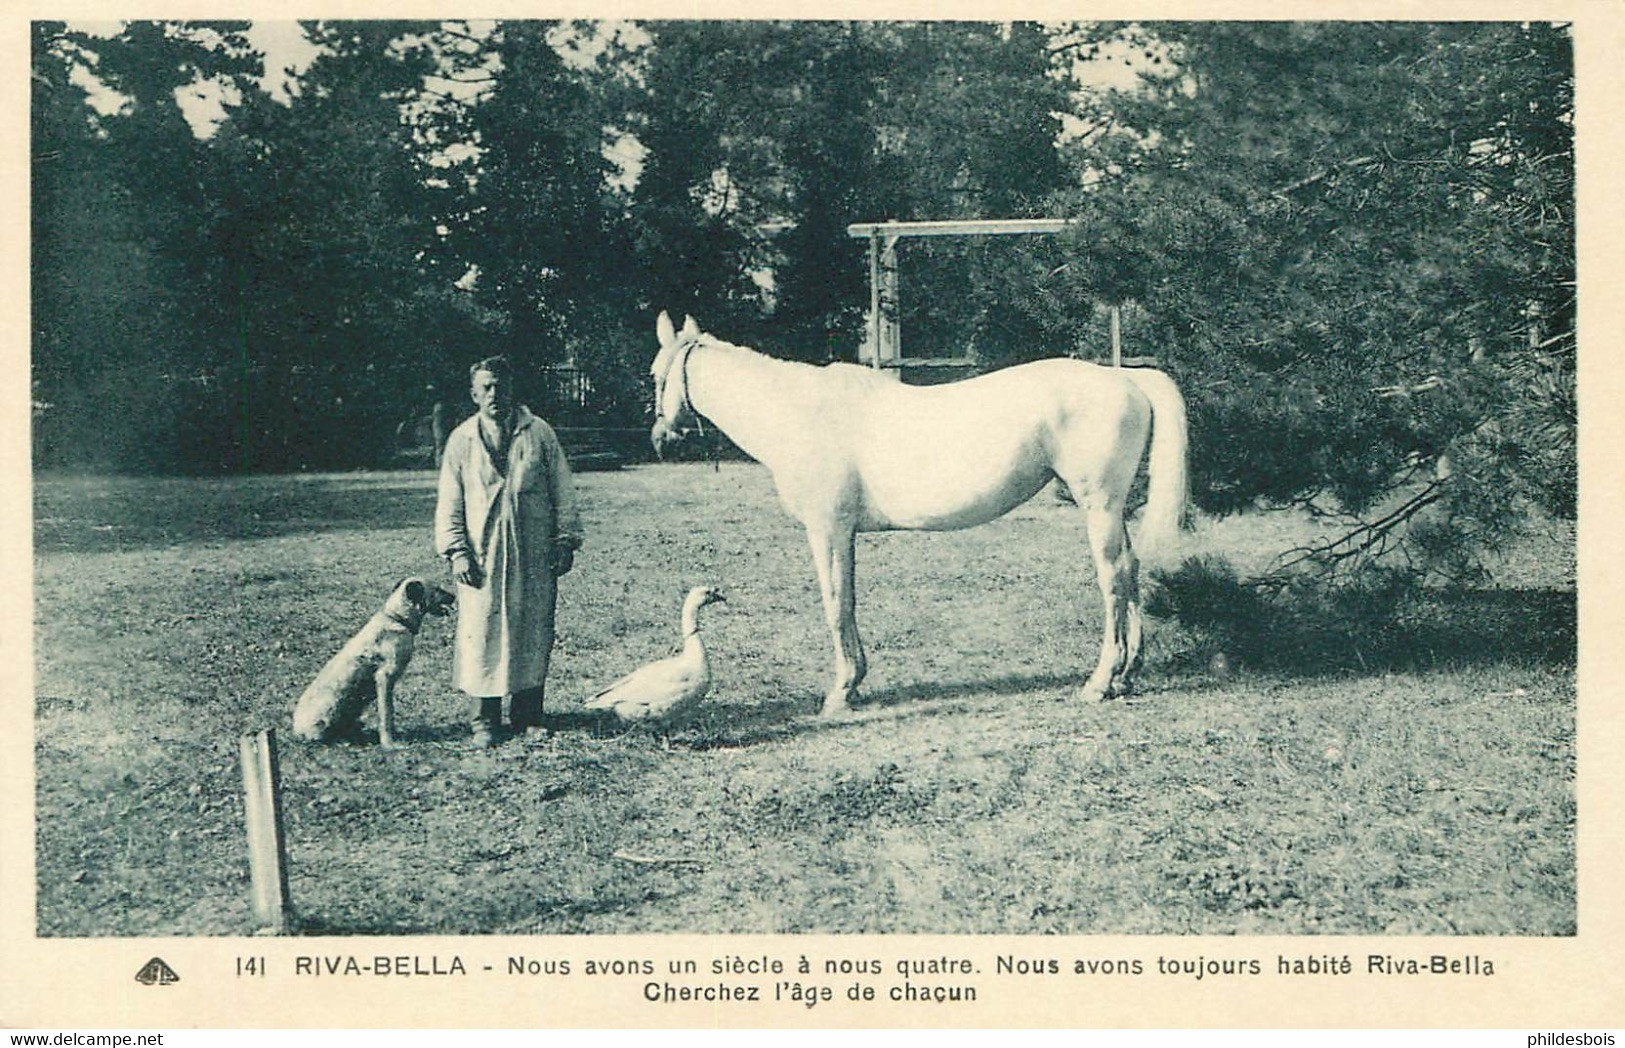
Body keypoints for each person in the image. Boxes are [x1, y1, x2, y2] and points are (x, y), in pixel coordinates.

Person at [434, 356, 582, 748]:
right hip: (482, 557)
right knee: (482, 630)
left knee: (531, 628)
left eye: (501, 386)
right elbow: (450, 503)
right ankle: (483, 719)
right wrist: (457, 552)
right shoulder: (462, 440)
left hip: (533, 552)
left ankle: (528, 714)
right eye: (486, 388)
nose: (494, 394)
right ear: (474, 394)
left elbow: (563, 491)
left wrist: (565, 539)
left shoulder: (540, 434)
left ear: (513, 389)